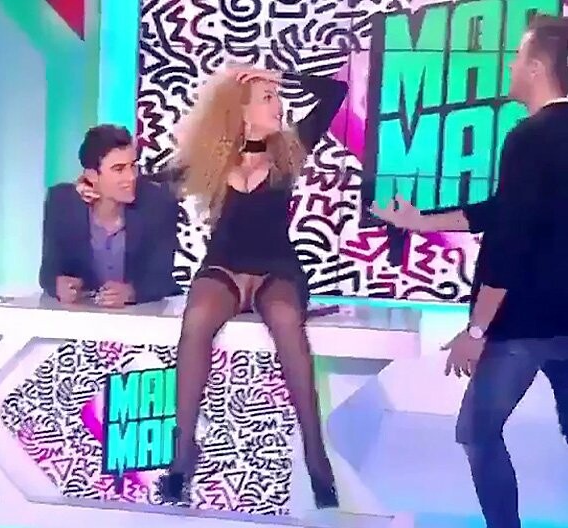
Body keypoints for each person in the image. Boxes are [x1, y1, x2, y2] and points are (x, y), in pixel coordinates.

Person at [372, 15, 568, 528]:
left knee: (477, 432)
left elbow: (509, 239)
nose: (511, 67)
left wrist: (477, 330)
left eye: (518, 57)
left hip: (524, 324)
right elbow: (503, 209)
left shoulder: (530, 137)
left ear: (538, 66)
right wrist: (420, 222)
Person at [154, 66, 347, 508]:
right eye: (266, 99)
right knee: (197, 319)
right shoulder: (211, 157)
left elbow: (335, 92)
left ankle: (315, 455)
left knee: (286, 320)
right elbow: (161, 171)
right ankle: (182, 455)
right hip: (224, 267)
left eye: (276, 98)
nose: (278, 105)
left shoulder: (291, 148)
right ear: (240, 112)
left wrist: (276, 75)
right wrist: (226, 80)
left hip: (276, 268)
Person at [39, 125, 181, 308]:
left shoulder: (158, 203)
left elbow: (162, 278)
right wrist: (58, 285)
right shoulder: (61, 202)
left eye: (133, 166)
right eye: (119, 169)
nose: (131, 177)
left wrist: (132, 292)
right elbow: (48, 273)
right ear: (92, 175)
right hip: (84, 313)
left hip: (145, 313)